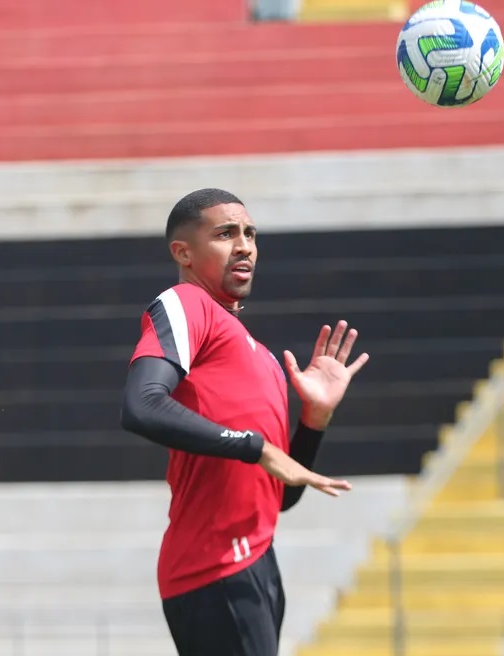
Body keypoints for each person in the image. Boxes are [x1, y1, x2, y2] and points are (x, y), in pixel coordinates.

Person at [120, 188, 369, 656]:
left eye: (251, 234)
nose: (245, 245)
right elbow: (142, 405)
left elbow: (279, 500)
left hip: (254, 560)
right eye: (226, 233)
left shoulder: (262, 358)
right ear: (183, 252)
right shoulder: (185, 303)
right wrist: (257, 445)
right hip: (212, 566)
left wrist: (313, 420)